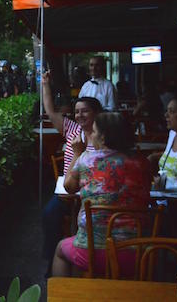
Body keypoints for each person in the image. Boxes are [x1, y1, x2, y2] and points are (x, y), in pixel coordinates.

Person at [52, 112, 151, 277]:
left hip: (92, 251)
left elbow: (68, 187)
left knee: (60, 250)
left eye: (94, 132)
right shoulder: (142, 163)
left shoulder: (86, 160)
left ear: (104, 138)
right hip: (138, 252)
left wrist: (77, 153)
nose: (91, 135)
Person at [41, 70, 102, 276]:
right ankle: (52, 262)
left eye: (85, 111)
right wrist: (45, 84)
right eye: (77, 112)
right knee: (50, 214)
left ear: (96, 114)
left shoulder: (103, 137)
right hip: (68, 190)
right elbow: (50, 111)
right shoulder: (72, 129)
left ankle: (83, 259)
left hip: (92, 193)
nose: (79, 115)